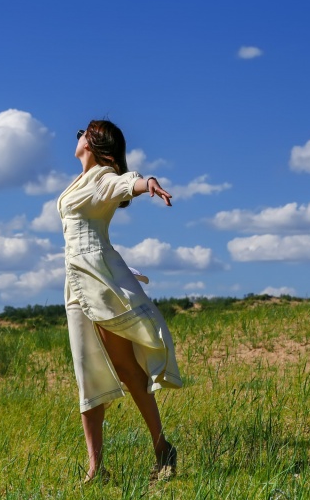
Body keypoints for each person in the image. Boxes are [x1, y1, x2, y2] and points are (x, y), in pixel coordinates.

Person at [58, 119, 184, 484]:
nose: (77, 135)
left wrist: (148, 184)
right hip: (76, 285)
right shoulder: (81, 180)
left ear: (96, 144)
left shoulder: (101, 176)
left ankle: (163, 449)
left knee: (127, 369)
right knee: (88, 375)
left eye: (82, 130)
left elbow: (124, 182)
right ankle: (96, 469)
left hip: (99, 282)